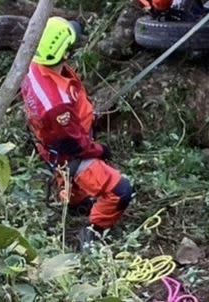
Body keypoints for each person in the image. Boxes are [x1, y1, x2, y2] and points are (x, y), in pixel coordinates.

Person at [21, 17, 132, 243]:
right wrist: (99, 150)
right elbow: (73, 144)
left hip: (57, 144)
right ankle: (93, 233)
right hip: (70, 151)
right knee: (121, 191)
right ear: (63, 52)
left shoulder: (35, 68)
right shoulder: (55, 104)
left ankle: (76, 203)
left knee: (71, 180)